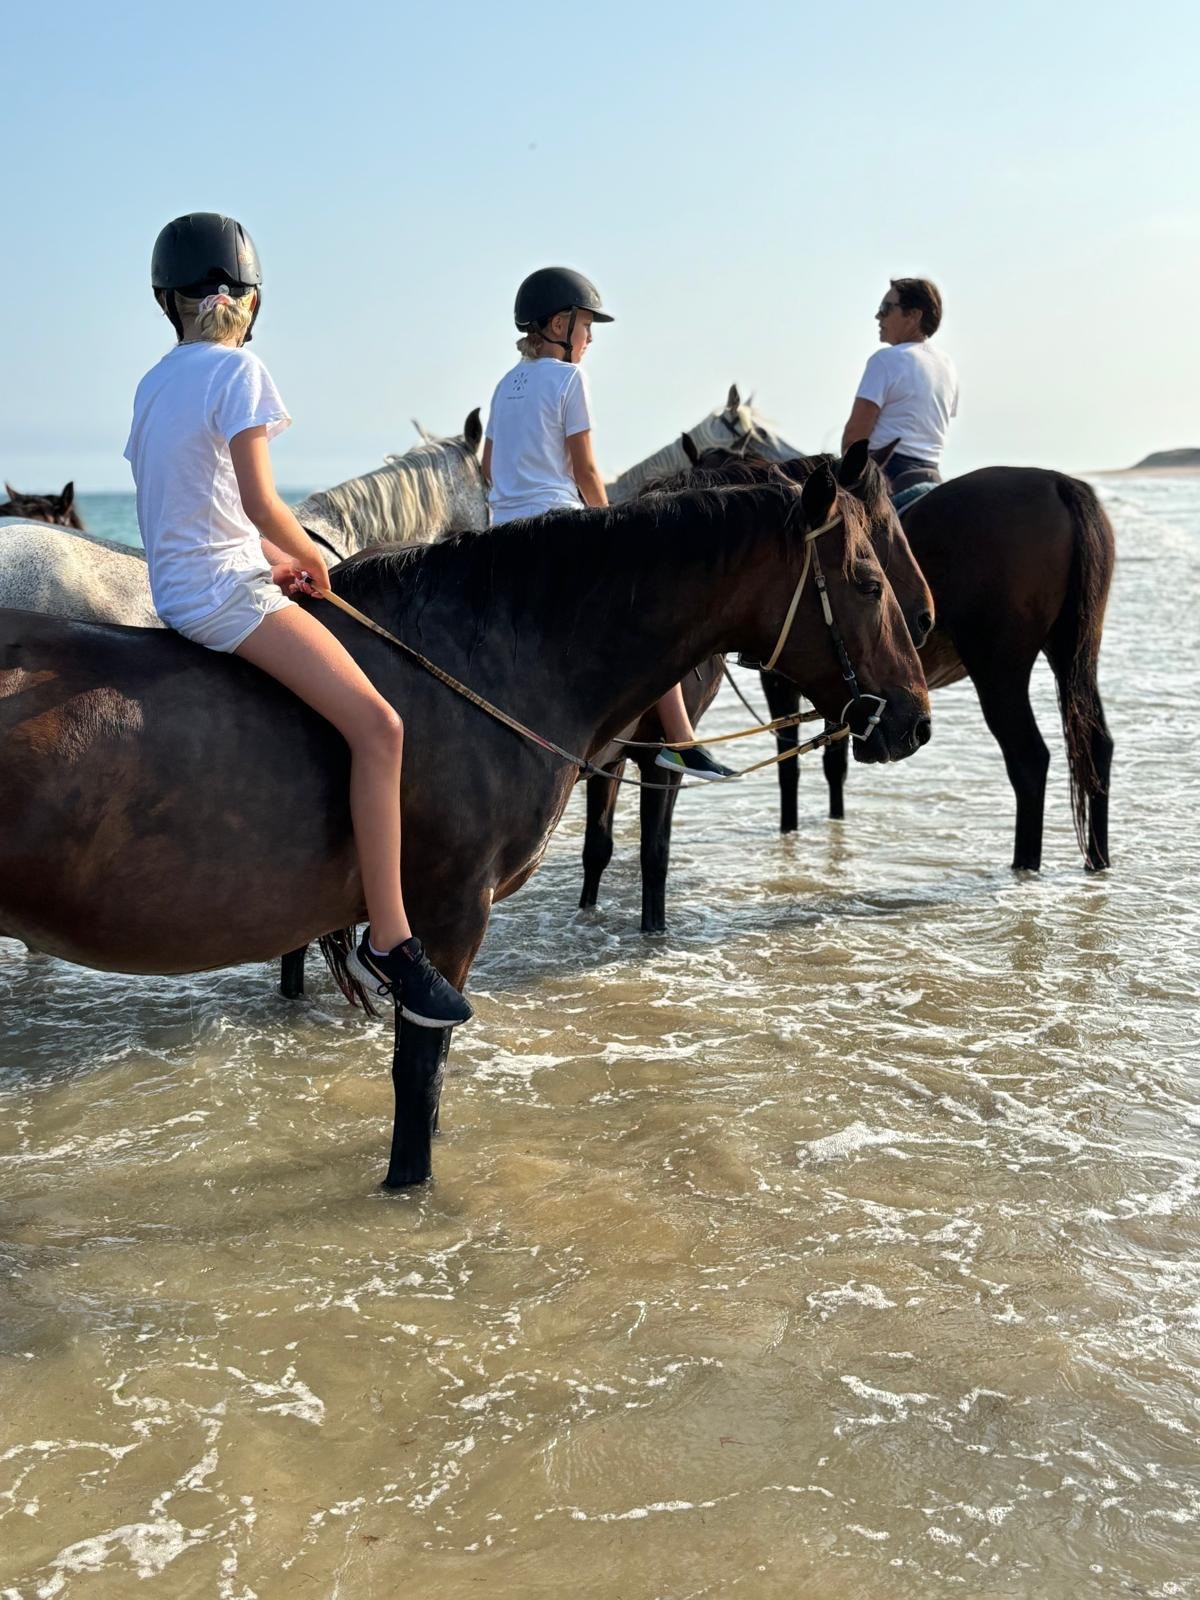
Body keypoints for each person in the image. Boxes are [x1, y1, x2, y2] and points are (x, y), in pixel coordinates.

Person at [124, 212, 471, 1026]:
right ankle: (390, 941)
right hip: (220, 594)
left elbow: (187, 503)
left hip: (176, 585)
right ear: (246, 300)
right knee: (381, 727)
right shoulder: (240, 371)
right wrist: (307, 559)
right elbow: (256, 498)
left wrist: (264, 560)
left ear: (167, 301)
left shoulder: (154, 380)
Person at [483, 267, 734, 781]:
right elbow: (585, 468)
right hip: (558, 529)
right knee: (654, 611)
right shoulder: (571, 378)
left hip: (499, 535)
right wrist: (608, 523)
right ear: (559, 323)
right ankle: (680, 743)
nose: (591, 336)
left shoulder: (504, 384)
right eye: (586, 325)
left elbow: (487, 466)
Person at [841, 277, 959, 493]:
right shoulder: (947, 365)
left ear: (914, 315)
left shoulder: (885, 360)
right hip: (931, 475)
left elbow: (855, 435)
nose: (878, 316)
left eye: (886, 308)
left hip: (887, 475)